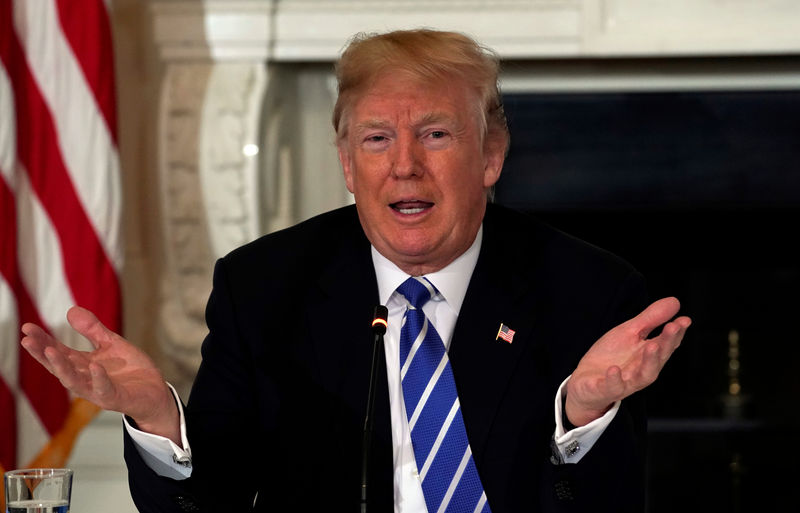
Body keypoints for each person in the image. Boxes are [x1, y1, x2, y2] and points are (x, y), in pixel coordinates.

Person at [21, 29, 690, 513]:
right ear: (347, 164)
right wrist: (158, 417)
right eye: (376, 138)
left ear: (490, 155)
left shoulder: (588, 289)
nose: (405, 165)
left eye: (435, 134)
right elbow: (207, 501)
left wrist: (581, 414)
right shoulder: (264, 288)